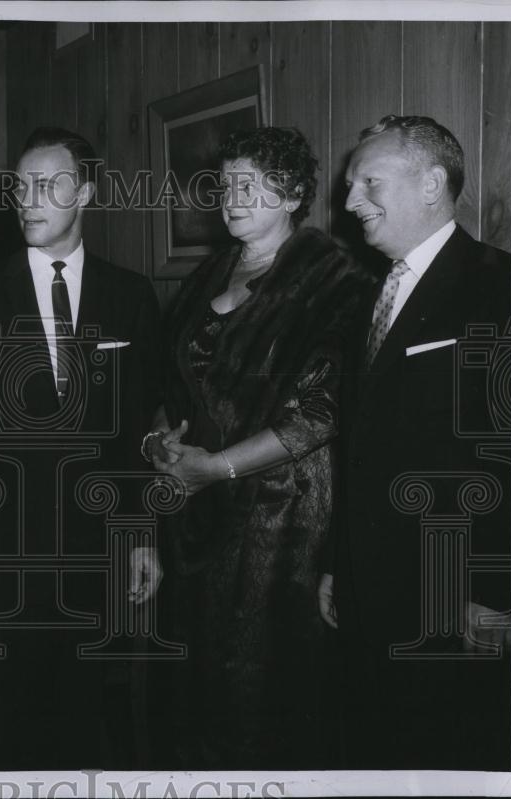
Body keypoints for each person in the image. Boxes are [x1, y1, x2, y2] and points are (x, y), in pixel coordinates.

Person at [0, 126, 163, 769]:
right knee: (6, 726)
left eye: (48, 184)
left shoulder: (131, 295)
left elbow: (137, 430)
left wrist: (142, 534)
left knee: (88, 722)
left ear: (85, 191)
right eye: (20, 186)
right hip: (3, 551)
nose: (27, 199)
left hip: (97, 552)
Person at [147, 127, 372, 768]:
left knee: (262, 697)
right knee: (197, 696)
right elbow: (176, 380)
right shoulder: (210, 271)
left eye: (253, 184)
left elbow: (321, 414)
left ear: (294, 194)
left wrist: (213, 468)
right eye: (226, 184)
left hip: (282, 521)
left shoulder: (336, 280)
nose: (233, 196)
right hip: (197, 518)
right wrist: (158, 438)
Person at [321, 115, 511, 769]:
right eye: (350, 186)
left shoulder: (502, 286)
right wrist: (335, 561)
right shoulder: (369, 294)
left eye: (368, 182)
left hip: (450, 591)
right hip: (368, 585)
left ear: (432, 184)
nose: (350, 203)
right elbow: (358, 441)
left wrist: (494, 591)